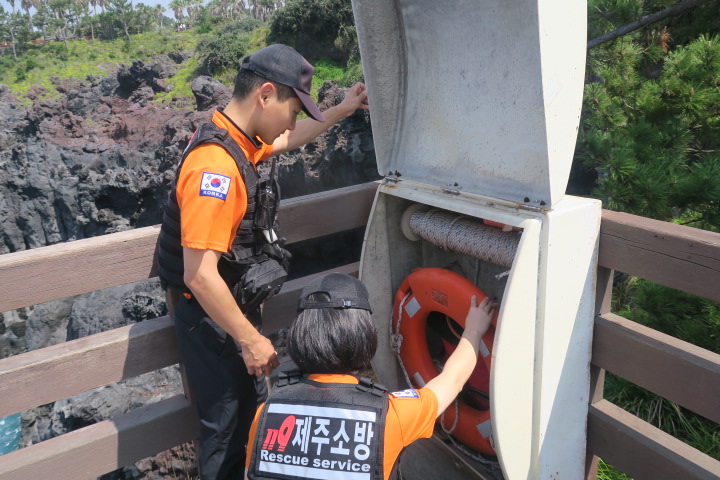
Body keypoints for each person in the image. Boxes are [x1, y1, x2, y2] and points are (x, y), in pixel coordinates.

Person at [156, 44, 369, 480]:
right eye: (294, 109)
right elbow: (198, 274)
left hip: (229, 317)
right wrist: (250, 340)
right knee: (226, 433)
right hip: (212, 321)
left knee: (249, 418)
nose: (294, 120)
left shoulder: (237, 140)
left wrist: (342, 109)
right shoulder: (213, 168)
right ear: (266, 94)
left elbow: (289, 138)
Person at [244, 273, 496, 480]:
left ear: (301, 335)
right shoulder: (390, 414)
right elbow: (451, 380)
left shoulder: (267, 412)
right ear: (363, 336)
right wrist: (473, 330)